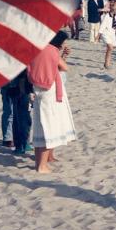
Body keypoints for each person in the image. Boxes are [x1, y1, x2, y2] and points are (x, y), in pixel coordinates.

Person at [28, 32, 76, 173]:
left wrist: (61, 54)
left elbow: (53, 66)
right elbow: (64, 67)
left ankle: (44, 160)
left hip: (38, 89)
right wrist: (61, 55)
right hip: (50, 92)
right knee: (49, 128)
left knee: (40, 127)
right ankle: (41, 165)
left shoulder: (37, 48)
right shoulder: (50, 50)